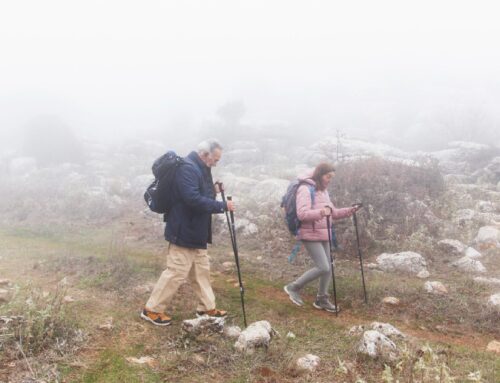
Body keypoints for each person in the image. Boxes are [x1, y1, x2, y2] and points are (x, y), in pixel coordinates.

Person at [141, 139, 235, 326]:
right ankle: (152, 310)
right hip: (183, 229)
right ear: (204, 154)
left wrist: (214, 190)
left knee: (201, 271)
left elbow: (199, 192)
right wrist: (222, 206)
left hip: (196, 230)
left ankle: (206, 308)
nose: (216, 163)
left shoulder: (200, 167)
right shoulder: (188, 168)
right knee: (176, 272)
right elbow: (192, 198)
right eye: (215, 159)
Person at [283, 162, 359, 313]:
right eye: (328, 176)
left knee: (328, 266)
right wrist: (321, 213)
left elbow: (333, 212)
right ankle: (293, 287)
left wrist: (349, 211)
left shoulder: (323, 191)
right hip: (309, 233)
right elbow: (302, 214)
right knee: (323, 266)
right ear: (319, 174)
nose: (329, 179)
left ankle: (322, 299)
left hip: (324, 232)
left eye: (332, 177)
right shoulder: (305, 189)